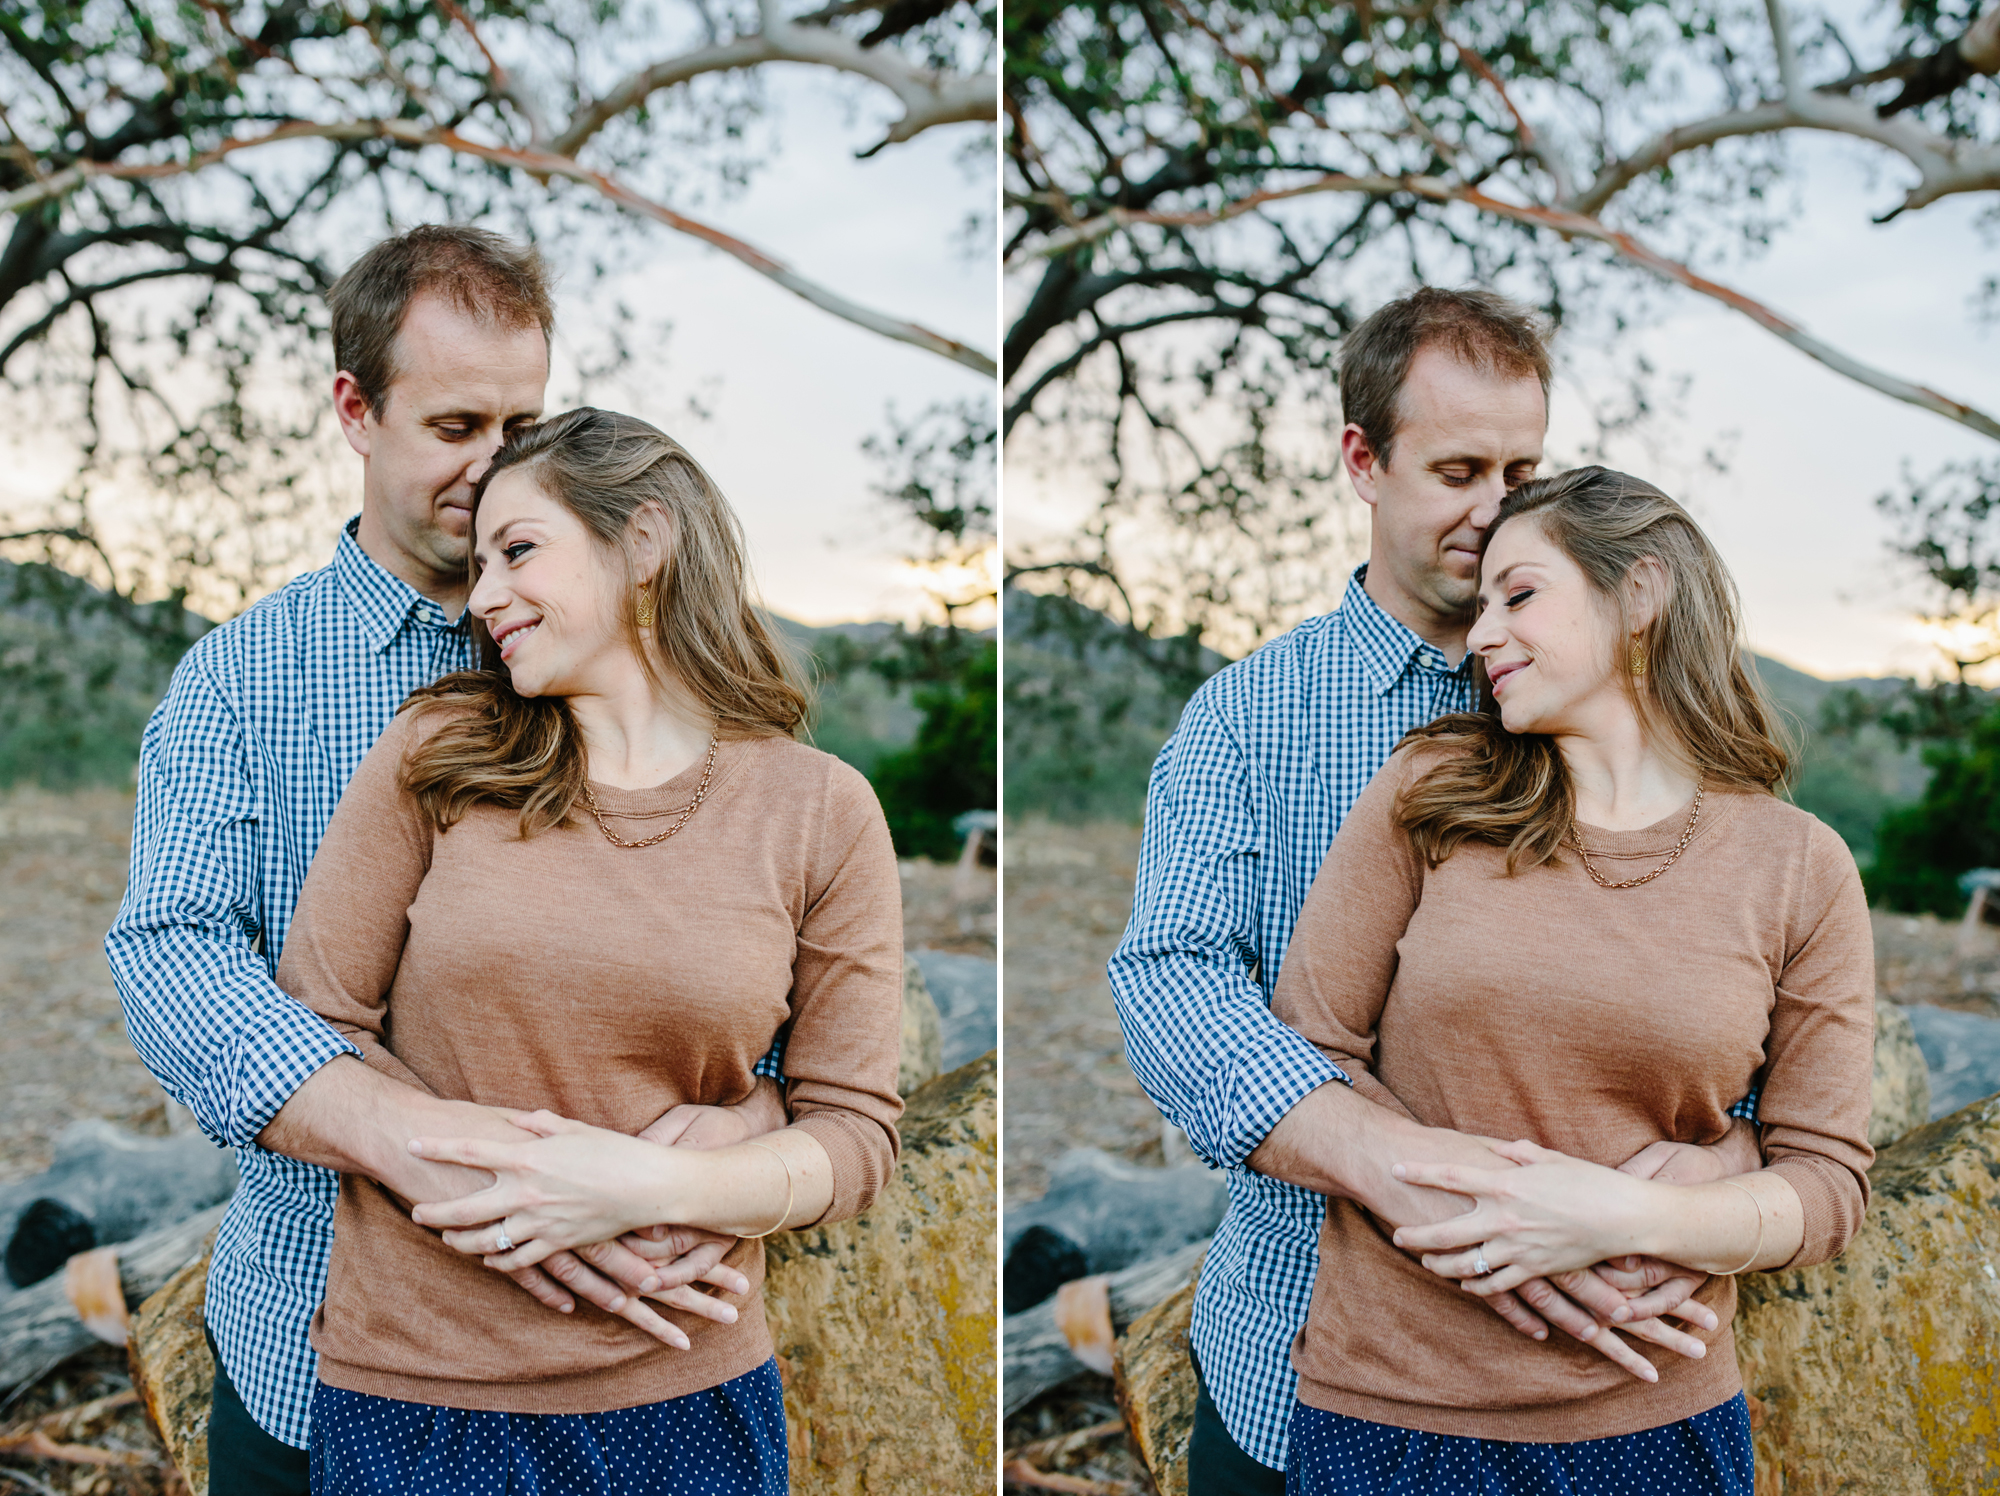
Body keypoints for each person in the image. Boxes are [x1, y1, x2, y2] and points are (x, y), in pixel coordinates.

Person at [106, 226, 776, 1496]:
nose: (496, 465)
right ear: (355, 410)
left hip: (638, 1340)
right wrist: (417, 1143)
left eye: (523, 424)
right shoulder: (245, 682)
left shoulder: (650, 664)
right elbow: (172, 956)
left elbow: (768, 947)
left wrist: (734, 1137)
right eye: (458, 422)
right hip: (326, 1342)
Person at [1106, 288, 1759, 1493]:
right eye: (1456, 468)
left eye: (1521, 467)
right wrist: (1413, 1174)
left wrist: (1718, 1173)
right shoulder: (1252, 718)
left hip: (1611, 1374)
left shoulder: (1639, 721)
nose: (1495, 506)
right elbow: (1172, 983)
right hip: (1306, 1363)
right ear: (1362, 459)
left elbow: (1746, 992)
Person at [268, 406, 904, 1494]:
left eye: (519, 550)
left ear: (644, 541)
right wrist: (532, 1180)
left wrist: (654, 1181)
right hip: (422, 1390)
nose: (484, 596)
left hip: (685, 1391)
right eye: (477, 565)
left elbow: (854, 1131)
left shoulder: (820, 809)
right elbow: (306, 1037)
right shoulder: (435, 751)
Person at [1269, 465, 1874, 1492]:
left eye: (1519, 595)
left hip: (1651, 1414)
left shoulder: (1799, 866)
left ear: (1636, 594)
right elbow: (1298, 1060)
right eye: (1478, 607)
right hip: (1395, 1407)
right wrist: (1508, 1211)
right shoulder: (1427, 791)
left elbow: (1824, 1179)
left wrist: (1623, 1217)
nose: (1484, 634)